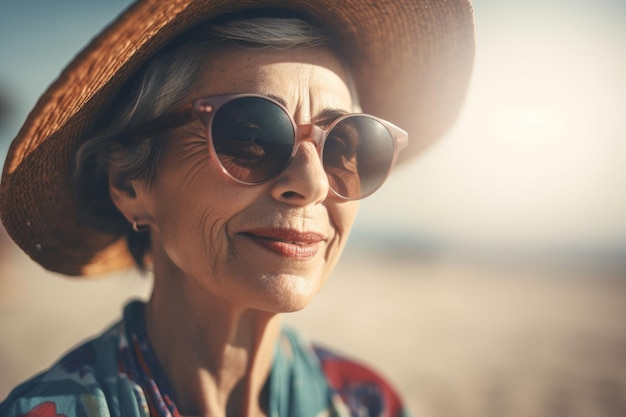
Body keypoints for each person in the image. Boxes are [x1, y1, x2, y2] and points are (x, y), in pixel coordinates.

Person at [0, 0, 474, 416]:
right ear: (129, 183)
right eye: (251, 137)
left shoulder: (371, 404)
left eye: (346, 144)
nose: (310, 183)